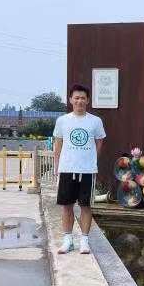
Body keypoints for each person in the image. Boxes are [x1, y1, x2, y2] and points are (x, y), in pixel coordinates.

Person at [53, 84, 106, 254]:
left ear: (88, 100)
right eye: (76, 98)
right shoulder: (62, 120)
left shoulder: (95, 121)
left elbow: (99, 142)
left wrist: (91, 160)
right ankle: (68, 240)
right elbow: (58, 145)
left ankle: (84, 241)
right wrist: (57, 168)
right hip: (67, 169)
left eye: (83, 98)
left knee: (86, 206)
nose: (79, 101)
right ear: (70, 100)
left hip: (87, 171)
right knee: (66, 206)